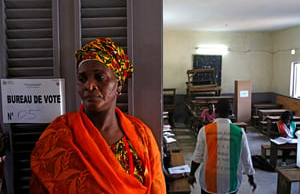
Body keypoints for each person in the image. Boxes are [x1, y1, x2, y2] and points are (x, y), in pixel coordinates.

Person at [29, 38, 166, 193]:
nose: (89, 86)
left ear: (119, 84)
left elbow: (156, 187)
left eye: (99, 77)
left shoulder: (141, 136)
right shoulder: (58, 135)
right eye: (82, 79)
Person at [188, 99, 256, 194]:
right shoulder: (240, 132)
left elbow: (197, 156)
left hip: (209, 179)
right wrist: (251, 177)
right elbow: (246, 158)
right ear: (230, 113)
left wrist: (192, 174)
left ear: (216, 112)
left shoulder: (205, 130)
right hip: (231, 179)